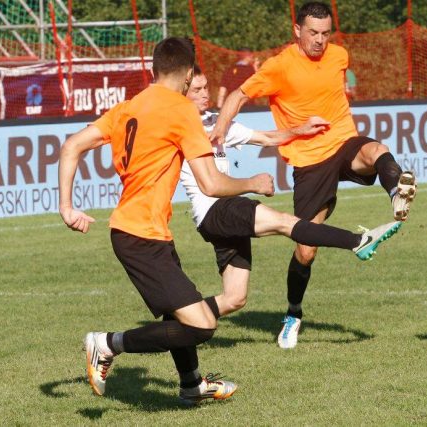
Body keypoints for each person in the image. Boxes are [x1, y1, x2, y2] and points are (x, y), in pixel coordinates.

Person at [58, 37, 275, 405]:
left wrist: (67, 207)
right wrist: (252, 182)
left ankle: (191, 384)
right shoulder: (180, 110)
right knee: (202, 324)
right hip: (139, 235)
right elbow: (210, 182)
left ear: (153, 70)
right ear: (189, 75)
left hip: (144, 231)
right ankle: (108, 344)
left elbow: (70, 147)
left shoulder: (129, 107)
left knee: (181, 311)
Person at [210, 2, 417, 349]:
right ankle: (293, 313)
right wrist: (220, 128)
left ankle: (396, 191)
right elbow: (238, 95)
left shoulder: (339, 55)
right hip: (308, 164)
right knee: (306, 250)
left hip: (343, 144)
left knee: (375, 150)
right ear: (297, 30)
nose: (320, 40)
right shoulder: (279, 67)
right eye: (313, 33)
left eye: (325, 33)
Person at [183, 66, 403, 317]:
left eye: (206, 87)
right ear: (182, 93)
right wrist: (252, 184)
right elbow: (210, 184)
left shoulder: (215, 122)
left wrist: (299, 130)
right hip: (215, 209)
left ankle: (178, 318)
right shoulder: (180, 127)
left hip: (226, 214)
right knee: (286, 222)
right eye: (197, 90)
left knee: (235, 299)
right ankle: (358, 241)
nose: (205, 94)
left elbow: (266, 138)